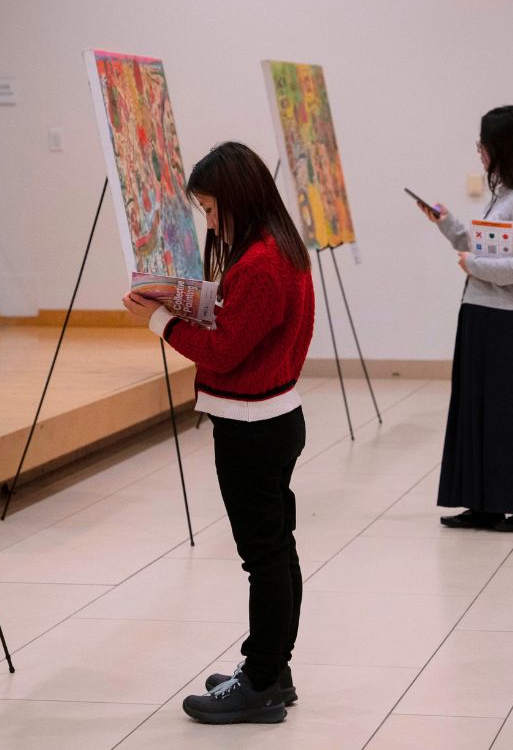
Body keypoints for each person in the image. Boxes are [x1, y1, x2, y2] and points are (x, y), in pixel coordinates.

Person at [122, 141, 314, 725]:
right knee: (277, 550)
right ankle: (271, 669)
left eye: (210, 209)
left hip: (253, 426)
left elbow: (225, 350)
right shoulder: (279, 248)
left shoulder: (260, 263)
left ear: (237, 199)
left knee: (264, 558)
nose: (207, 221)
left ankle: (259, 682)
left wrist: (158, 318)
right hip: (275, 417)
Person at [418, 105, 513, 532]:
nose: (480, 153)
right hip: (481, 316)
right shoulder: (503, 197)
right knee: (479, 410)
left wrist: (473, 265)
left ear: (503, 147)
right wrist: (448, 225)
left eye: (484, 145)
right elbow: (484, 247)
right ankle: (485, 502)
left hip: (512, 322)